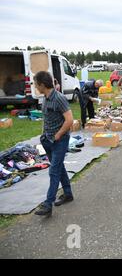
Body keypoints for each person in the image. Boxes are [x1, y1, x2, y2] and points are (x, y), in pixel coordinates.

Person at [33, 71, 74, 217]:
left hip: (59, 141)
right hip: (47, 140)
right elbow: (46, 117)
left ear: (42, 84)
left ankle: (47, 204)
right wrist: (43, 134)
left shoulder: (59, 98)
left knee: (54, 171)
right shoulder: (45, 97)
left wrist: (58, 135)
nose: (35, 86)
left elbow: (69, 120)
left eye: (36, 83)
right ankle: (68, 194)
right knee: (59, 167)